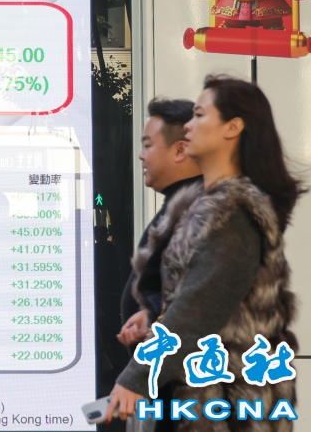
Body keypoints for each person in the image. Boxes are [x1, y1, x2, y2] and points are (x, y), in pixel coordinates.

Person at [106, 76, 301, 430]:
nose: (188, 126)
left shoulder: (232, 211)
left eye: (199, 115)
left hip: (227, 407)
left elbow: (199, 307)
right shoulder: (207, 207)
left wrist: (136, 377)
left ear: (232, 127)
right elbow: (204, 299)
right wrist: (154, 317)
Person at [118, 98, 202, 349]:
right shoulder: (179, 205)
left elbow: (197, 300)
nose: (141, 155)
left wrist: (154, 322)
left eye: (147, 145)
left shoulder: (203, 212)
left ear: (180, 150)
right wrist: (150, 316)